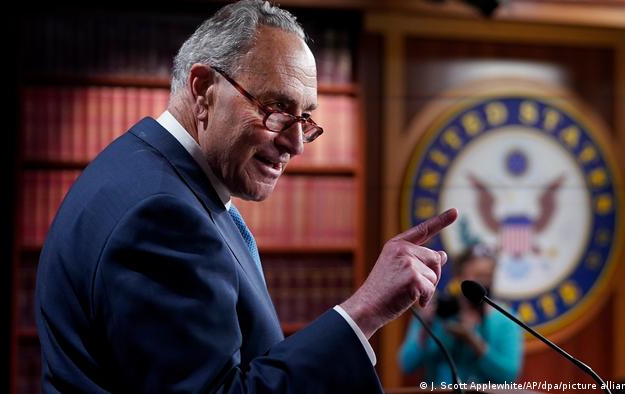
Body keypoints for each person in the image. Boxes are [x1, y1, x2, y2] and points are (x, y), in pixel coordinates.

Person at [35, 1, 458, 392]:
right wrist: (364, 311)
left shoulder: (152, 171)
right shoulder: (161, 215)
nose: (297, 145)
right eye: (276, 109)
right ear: (203, 90)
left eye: (305, 117)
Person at [398, 244, 523, 385]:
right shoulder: (437, 314)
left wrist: (473, 341)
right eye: (478, 276)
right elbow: (406, 365)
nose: (483, 283)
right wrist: (424, 329)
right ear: (459, 276)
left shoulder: (505, 319)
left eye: (488, 276)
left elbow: (509, 375)